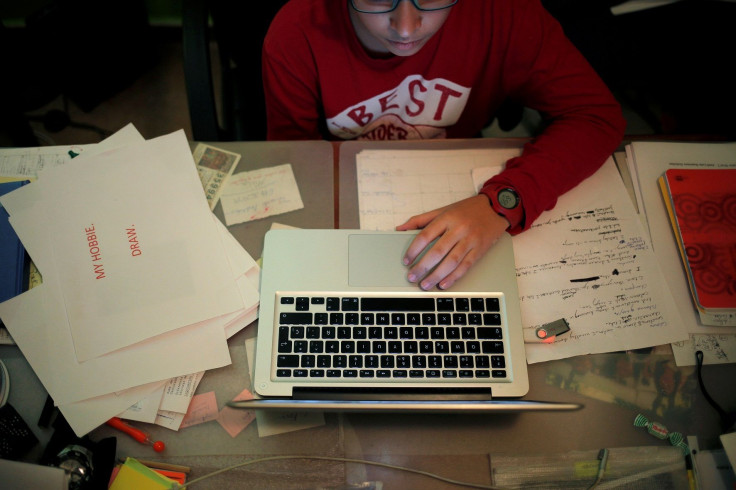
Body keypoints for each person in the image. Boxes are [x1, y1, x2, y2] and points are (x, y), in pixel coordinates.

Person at [262, 0, 626, 290]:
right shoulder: (296, 31)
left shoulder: (506, 12)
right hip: (338, 183)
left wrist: (501, 202)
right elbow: (294, 159)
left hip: (464, 175)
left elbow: (595, 116)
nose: (405, 27)